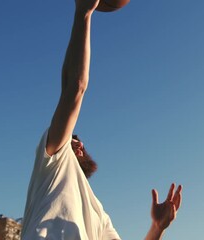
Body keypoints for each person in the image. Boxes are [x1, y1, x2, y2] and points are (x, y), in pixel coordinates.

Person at [20, 0, 182, 239]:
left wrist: (157, 229)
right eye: (72, 139)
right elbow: (75, 88)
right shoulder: (52, 166)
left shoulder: (98, 214)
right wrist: (83, 13)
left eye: (79, 140)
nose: (79, 143)